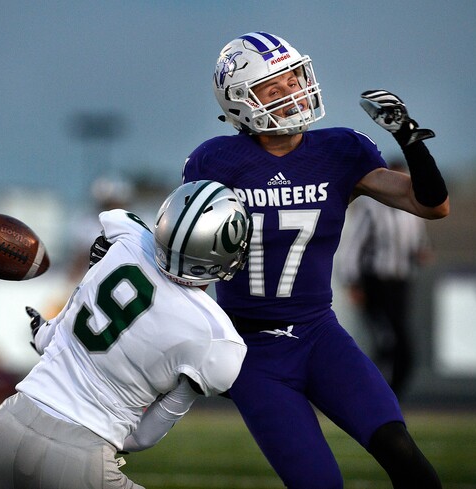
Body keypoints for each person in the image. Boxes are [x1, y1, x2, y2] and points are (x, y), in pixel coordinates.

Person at [182, 32, 449, 489]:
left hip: (320, 334)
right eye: (274, 88)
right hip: (251, 351)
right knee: (319, 483)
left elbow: (432, 205)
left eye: (292, 78)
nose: (291, 92)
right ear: (240, 102)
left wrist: (409, 139)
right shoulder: (216, 161)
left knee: (400, 450)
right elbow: (187, 263)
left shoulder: (339, 150)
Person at [0, 180, 252, 489]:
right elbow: (143, 438)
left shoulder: (128, 237)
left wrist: (46, 334)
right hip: (80, 455)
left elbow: (65, 331)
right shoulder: (216, 336)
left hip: (5, 424)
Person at [337, 159, 434, 398]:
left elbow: (419, 243)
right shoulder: (372, 208)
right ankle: (370, 391)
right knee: (384, 340)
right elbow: (353, 245)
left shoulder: (413, 212)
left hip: (401, 281)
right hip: (375, 282)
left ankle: (391, 394)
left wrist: (421, 253)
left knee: (404, 344)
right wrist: (352, 282)